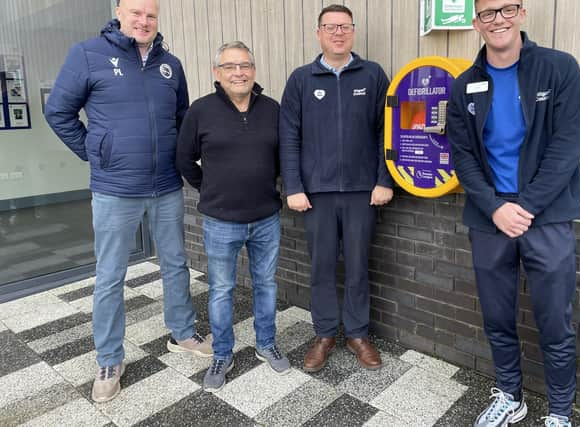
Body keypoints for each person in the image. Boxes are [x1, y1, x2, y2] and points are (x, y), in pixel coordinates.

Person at [45, 0, 211, 403]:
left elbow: (182, 117)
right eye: (136, 13)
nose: (144, 21)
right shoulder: (87, 54)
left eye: (151, 15)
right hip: (115, 188)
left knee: (174, 263)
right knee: (110, 275)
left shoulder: (170, 64)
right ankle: (108, 357)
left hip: (166, 185)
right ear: (119, 13)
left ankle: (183, 333)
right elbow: (58, 111)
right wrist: (94, 151)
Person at [446, 1, 580, 426]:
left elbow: (567, 145)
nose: (498, 19)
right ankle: (510, 395)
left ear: (522, 13)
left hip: (545, 216)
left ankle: (560, 411)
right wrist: (495, 207)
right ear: (476, 23)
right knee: (497, 317)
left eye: (507, 8)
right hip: (490, 219)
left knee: (554, 322)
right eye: (488, 13)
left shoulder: (559, 68)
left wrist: (523, 207)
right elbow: (463, 156)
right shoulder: (464, 84)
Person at [279, 4, 393, 373]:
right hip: (316, 194)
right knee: (322, 267)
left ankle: (358, 333)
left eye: (344, 26)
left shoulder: (373, 75)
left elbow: (385, 133)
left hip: (363, 192)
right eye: (330, 27)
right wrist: (294, 186)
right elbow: (289, 136)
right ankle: (325, 333)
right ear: (319, 33)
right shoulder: (301, 79)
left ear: (353, 31)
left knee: (359, 265)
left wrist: (384, 180)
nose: (338, 33)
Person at [176, 41, 290, 391]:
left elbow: (285, 158)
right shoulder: (201, 111)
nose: (238, 72)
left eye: (245, 65)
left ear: (254, 70)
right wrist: (210, 189)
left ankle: (266, 343)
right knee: (222, 290)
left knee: (266, 285)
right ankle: (222, 353)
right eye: (230, 66)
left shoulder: (272, 109)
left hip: (266, 218)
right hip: (220, 221)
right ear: (217, 73)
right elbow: (184, 160)